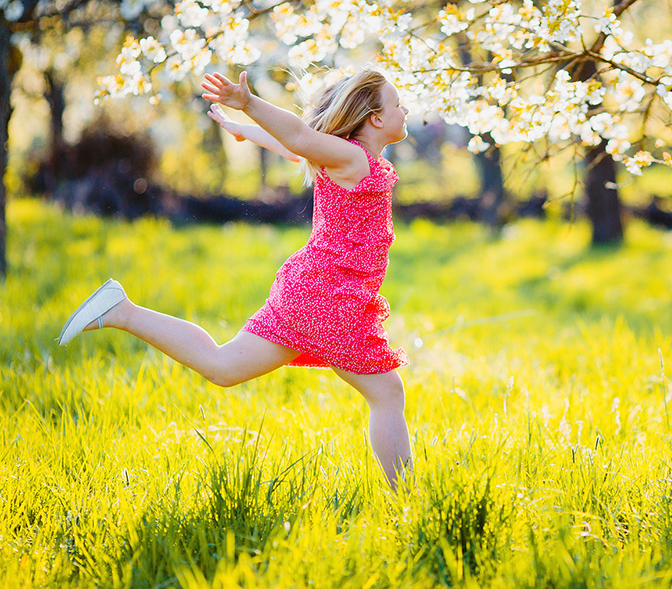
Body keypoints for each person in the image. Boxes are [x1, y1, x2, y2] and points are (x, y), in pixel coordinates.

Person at [56, 69, 413, 490]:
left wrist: (246, 129)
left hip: (313, 293)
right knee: (387, 394)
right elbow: (298, 138)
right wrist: (247, 103)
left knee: (223, 367)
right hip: (330, 299)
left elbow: (295, 147)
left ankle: (122, 311)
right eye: (396, 103)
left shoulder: (345, 158)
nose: (405, 109)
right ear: (374, 118)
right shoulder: (354, 159)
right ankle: (406, 500)